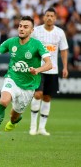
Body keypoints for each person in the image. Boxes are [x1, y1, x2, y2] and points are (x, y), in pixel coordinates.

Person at [0, 16, 52, 149]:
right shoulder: (11, 42)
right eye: (20, 26)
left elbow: (49, 64)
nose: (21, 29)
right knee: (3, 101)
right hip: (12, 78)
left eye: (25, 27)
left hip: (29, 87)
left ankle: (14, 120)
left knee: (14, 116)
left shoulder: (37, 45)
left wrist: (37, 69)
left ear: (32, 30)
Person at [29, 8, 69, 136]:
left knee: (47, 97)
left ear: (55, 18)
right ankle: (33, 126)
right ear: (43, 17)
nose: (49, 18)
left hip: (53, 70)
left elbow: (63, 50)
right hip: (39, 69)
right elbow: (29, 45)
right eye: (47, 15)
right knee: (38, 95)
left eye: (52, 16)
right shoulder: (36, 31)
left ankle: (42, 128)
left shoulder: (60, 33)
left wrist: (65, 67)